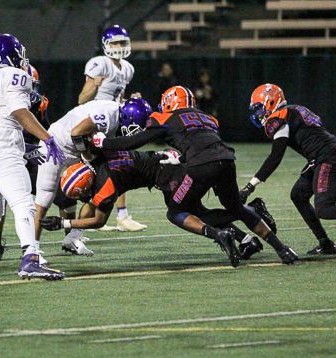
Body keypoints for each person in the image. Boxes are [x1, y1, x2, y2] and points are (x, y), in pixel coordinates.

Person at [81, 86, 298, 265]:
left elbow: (135, 141)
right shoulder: (208, 118)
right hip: (227, 160)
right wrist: (182, 157)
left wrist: (105, 143)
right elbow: (201, 140)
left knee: (177, 211)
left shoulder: (164, 117)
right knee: (236, 209)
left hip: (201, 166)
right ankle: (283, 249)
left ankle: (246, 217)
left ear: (170, 103)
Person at [239, 83, 336, 254]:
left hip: (327, 158)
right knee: (298, 195)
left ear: (271, 101)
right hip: (323, 156)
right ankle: (325, 243)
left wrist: (250, 186)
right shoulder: (294, 109)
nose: (259, 113)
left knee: (324, 209)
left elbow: (276, 156)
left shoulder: (280, 116)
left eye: (260, 107)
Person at [0, 33, 66, 280]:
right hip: (1, 150)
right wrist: (47, 138)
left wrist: (26, 145)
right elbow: (19, 112)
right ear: (12, 55)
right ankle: (30, 259)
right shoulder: (15, 74)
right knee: (24, 205)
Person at [34, 97, 153, 261]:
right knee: (45, 196)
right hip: (57, 144)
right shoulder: (108, 115)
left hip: (78, 149)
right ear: (127, 117)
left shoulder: (119, 117)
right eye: (135, 128)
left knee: (99, 193)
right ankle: (32, 250)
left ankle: (73, 238)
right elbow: (77, 133)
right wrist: (88, 159)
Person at [77, 24, 146, 232]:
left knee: (119, 165)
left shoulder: (127, 68)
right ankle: (92, 219)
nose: (119, 46)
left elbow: (118, 98)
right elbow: (82, 99)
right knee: (98, 170)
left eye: (122, 42)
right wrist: (95, 85)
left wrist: (130, 101)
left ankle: (121, 216)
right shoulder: (99, 64)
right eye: (115, 43)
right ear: (107, 44)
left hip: (113, 120)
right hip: (95, 121)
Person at [0, 64, 50, 262]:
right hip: (5, 152)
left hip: (28, 155)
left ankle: (69, 238)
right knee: (2, 201)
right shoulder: (1, 102)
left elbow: (44, 128)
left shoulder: (39, 104)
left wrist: (42, 146)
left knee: (52, 189)